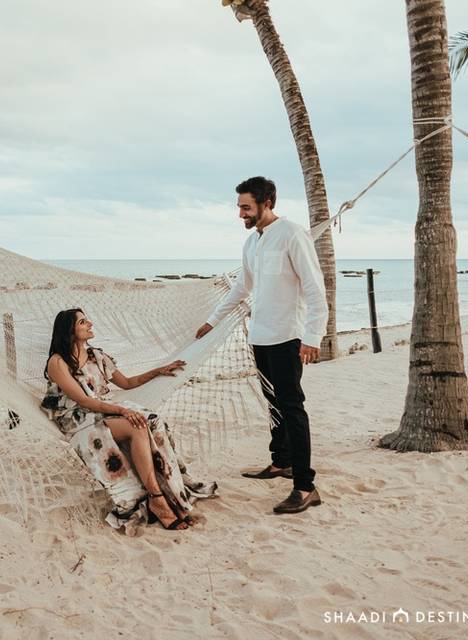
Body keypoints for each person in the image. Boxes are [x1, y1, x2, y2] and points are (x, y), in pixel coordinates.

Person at [195, 176, 327, 514]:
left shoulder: (292, 234)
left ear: (266, 203)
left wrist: (312, 337)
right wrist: (211, 320)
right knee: (274, 405)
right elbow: (241, 287)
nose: (241, 214)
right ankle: (280, 462)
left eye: (246, 207)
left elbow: (315, 289)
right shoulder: (253, 243)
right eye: (239, 207)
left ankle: (305, 486)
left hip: (287, 337)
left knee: (292, 407)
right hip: (260, 337)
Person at [42, 308, 216, 530]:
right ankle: (157, 497)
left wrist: (159, 371)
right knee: (135, 426)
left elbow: (127, 383)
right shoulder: (58, 363)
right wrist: (122, 411)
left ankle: (163, 493)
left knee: (147, 422)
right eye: (83, 322)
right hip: (78, 418)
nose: (90, 324)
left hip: (101, 410)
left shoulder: (97, 356)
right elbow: (84, 401)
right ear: (69, 330)